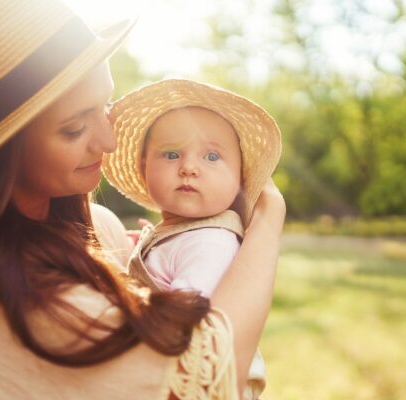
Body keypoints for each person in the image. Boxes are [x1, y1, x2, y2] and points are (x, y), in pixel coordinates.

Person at [0, 0, 286, 399]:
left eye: (104, 107)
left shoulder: (99, 230)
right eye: (74, 128)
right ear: (3, 150)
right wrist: (268, 222)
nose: (110, 141)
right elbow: (201, 381)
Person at [102, 79, 282, 400]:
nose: (188, 167)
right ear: (145, 168)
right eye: (171, 154)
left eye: (212, 157)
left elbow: (183, 322)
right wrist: (144, 256)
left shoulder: (210, 244)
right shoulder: (182, 236)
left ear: (240, 178)